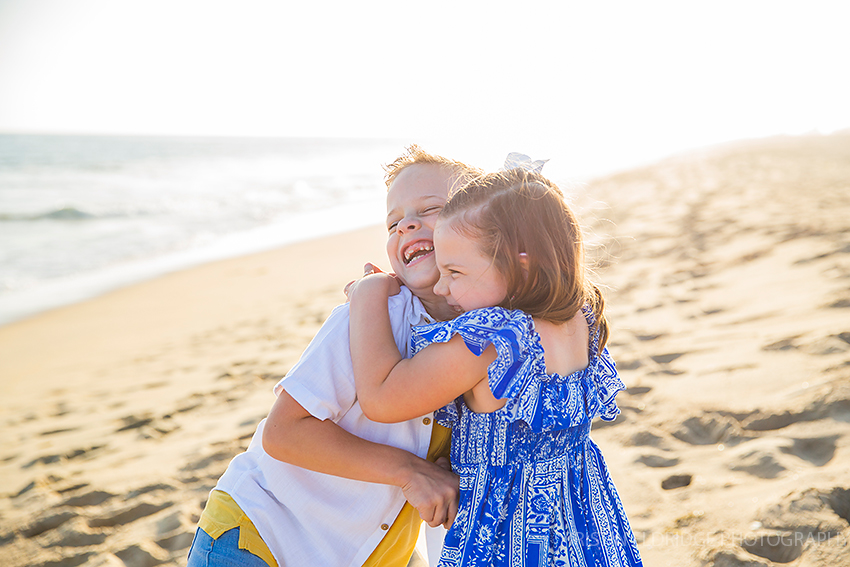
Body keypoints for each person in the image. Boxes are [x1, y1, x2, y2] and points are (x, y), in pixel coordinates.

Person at [186, 146, 482, 567]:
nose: (406, 226)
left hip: (365, 554)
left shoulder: (486, 333)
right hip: (265, 539)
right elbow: (284, 432)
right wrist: (409, 471)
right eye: (393, 222)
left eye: (430, 208)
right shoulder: (367, 318)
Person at [348, 168, 644, 566]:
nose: (440, 287)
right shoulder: (580, 319)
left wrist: (368, 294)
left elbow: (382, 398)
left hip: (509, 536)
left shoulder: (493, 341)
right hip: (585, 519)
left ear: (521, 265)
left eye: (455, 272)